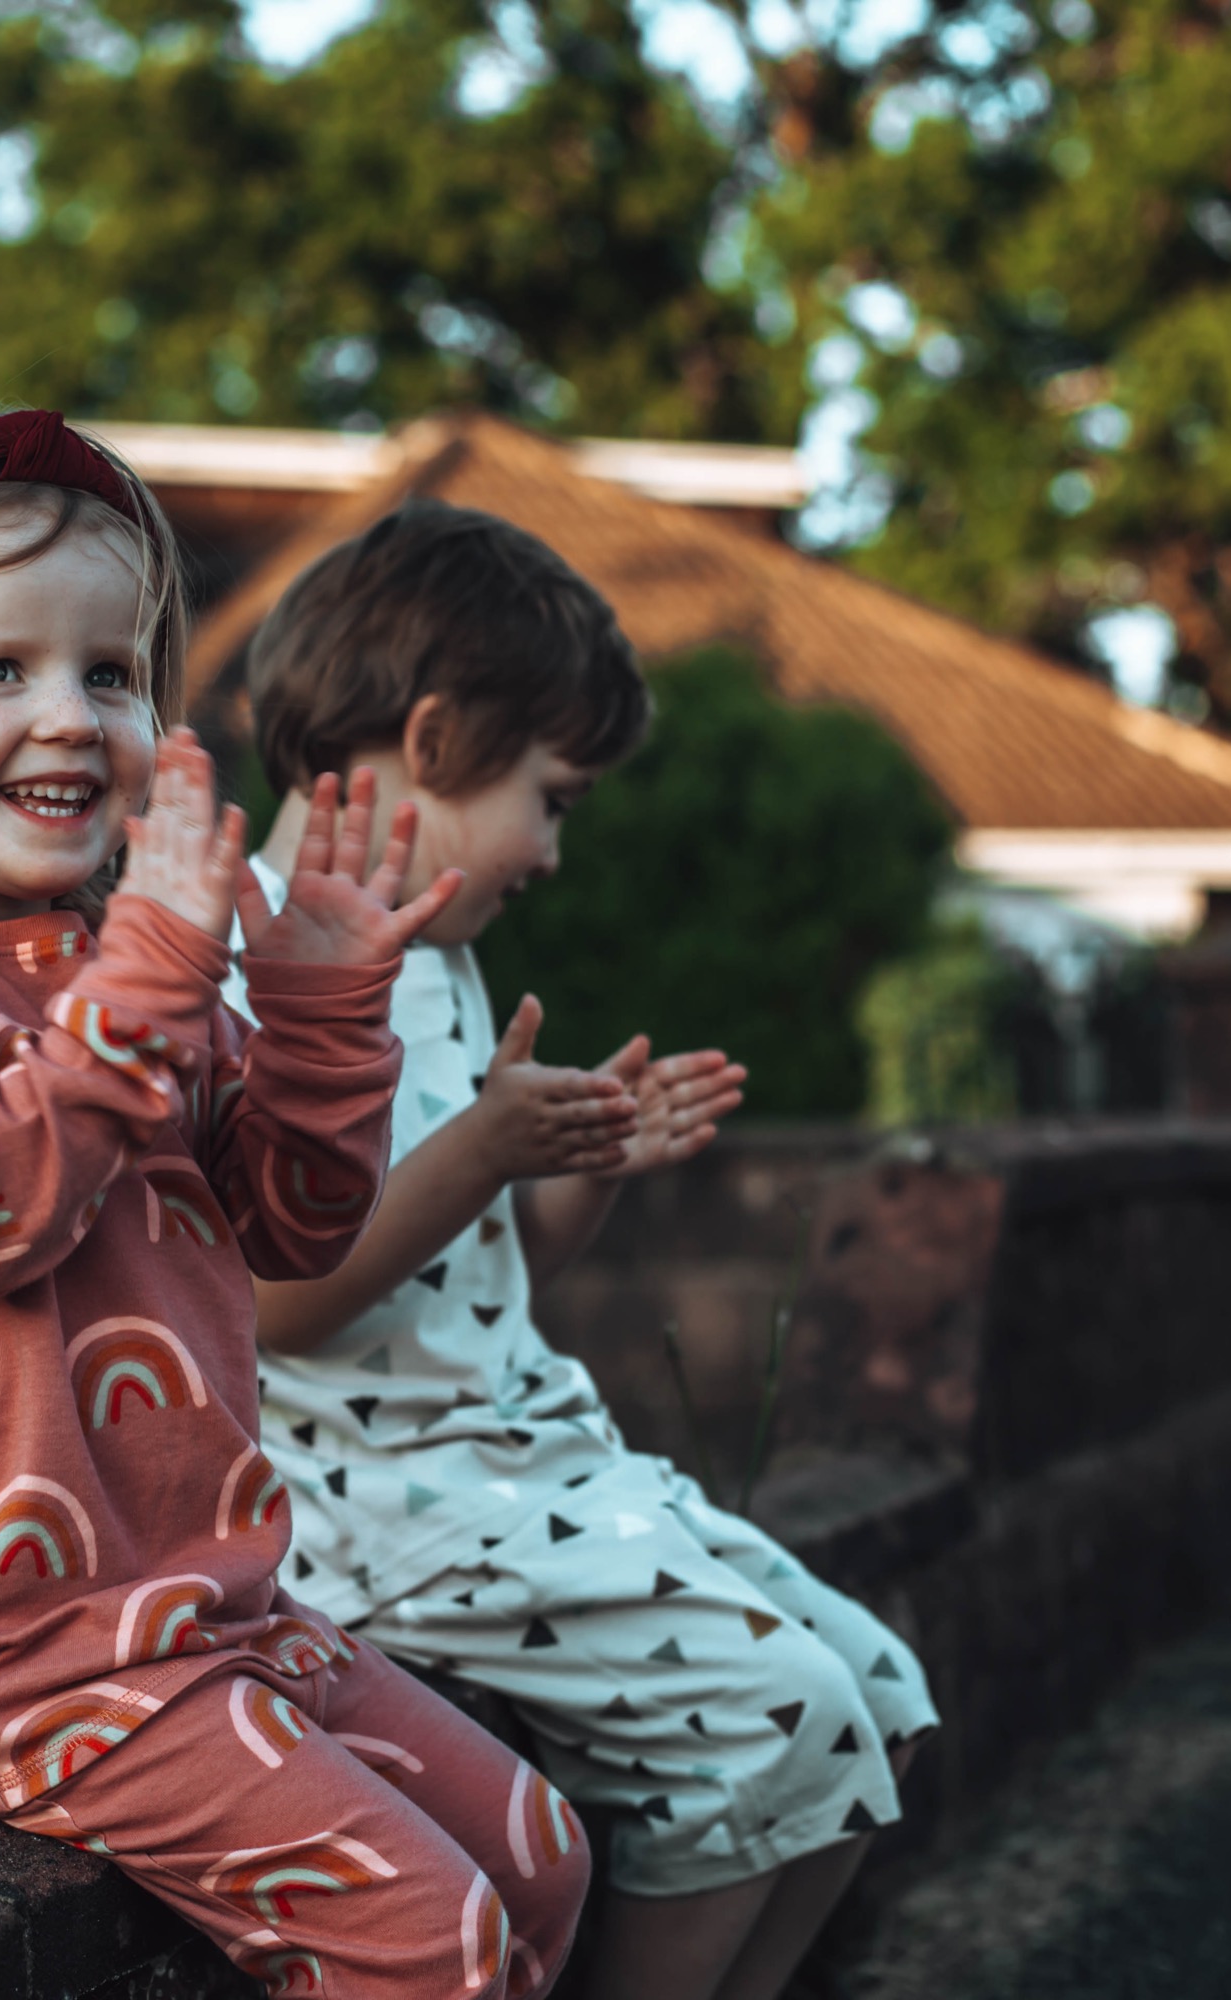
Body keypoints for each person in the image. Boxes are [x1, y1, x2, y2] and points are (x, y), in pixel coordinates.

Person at [0, 413, 589, 1999]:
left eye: (110, 674)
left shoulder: (129, 958)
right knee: (427, 1940)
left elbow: (291, 1226)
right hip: (20, 1661)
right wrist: (158, 969)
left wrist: (316, 1013)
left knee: (540, 1854)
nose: (71, 717)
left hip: (219, 1616)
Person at [224, 501, 940, 2000]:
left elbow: (478, 1291)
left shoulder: (442, 961)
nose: (554, 850)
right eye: (553, 798)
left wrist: (575, 1171)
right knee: (779, 1719)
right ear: (429, 741)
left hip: (522, 1461)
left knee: (875, 1692)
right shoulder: (243, 962)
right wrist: (483, 1143)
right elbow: (274, 1302)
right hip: (385, 1509)